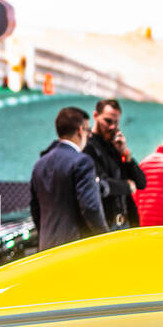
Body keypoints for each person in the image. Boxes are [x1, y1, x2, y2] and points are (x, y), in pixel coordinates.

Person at [30, 107, 108, 251]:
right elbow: (91, 207)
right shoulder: (82, 161)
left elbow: (35, 209)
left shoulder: (39, 164)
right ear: (80, 130)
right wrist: (106, 238)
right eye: (87, 130)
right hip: (75, 248)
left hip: (46, 247)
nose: (89, 135)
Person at [83, 99, 147, 230]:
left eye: (116, 122)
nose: (112, 126)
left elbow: (141, 183)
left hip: (126, 222)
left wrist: (126, 154)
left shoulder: (115, 146)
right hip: (105, 225)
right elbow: (100, 184)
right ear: (95, 116)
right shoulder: (87, 146)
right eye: (108, 121)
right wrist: (127, 186)